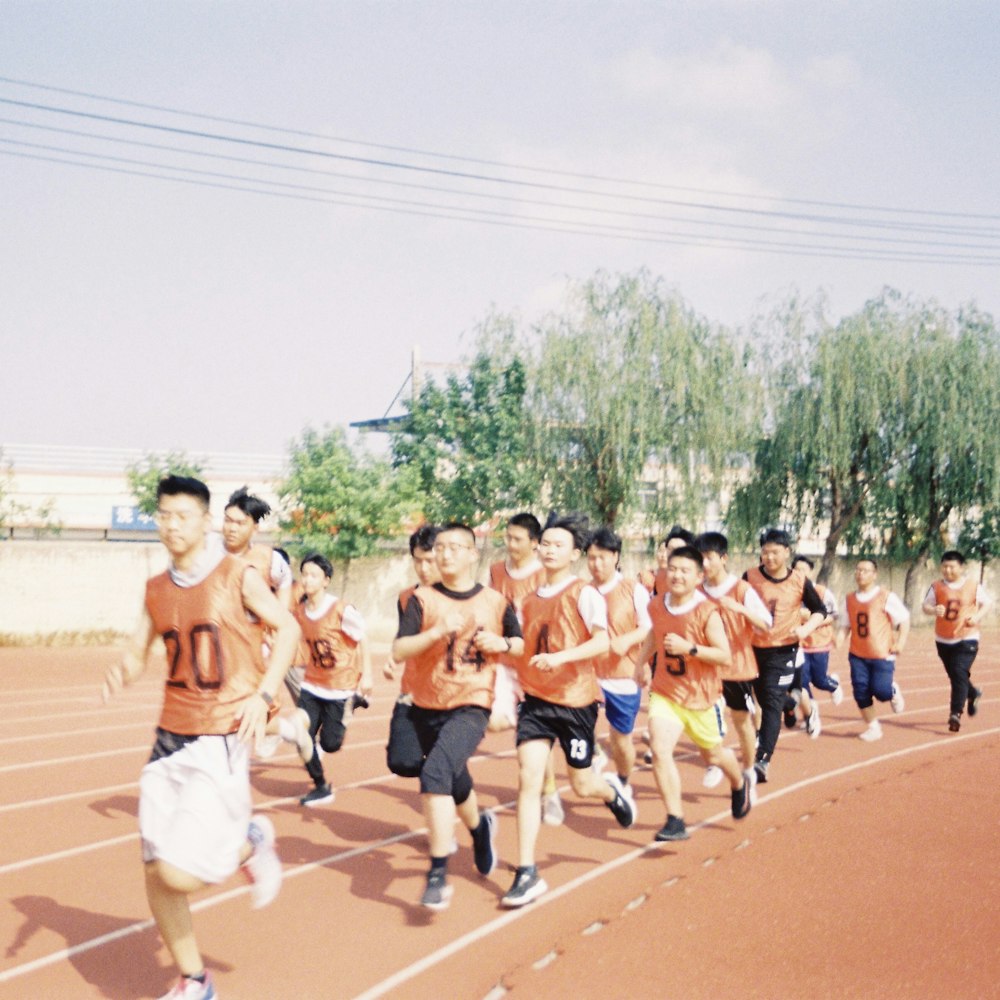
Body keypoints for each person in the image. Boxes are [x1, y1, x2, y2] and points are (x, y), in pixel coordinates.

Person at [101, 475, 301, 1000]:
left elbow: (289, 630)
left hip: (223, 732)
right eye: (163, 515)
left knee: (179, 872)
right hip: (170, 735)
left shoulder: (237, 575)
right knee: (153, 870)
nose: (171, 525)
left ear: (204, 520)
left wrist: (264, 695)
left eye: (182, 515)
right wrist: (123, 669)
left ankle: (249, 843)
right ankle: (196, 981)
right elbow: (138, 648)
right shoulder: (156, 590)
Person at [502, 512, 636, 909]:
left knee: (580, 785)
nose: (547, 549)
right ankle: (526, 871)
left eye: (557, 544)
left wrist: (560, 658)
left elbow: (601, 643)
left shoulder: (585, 593)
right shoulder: (526, 600)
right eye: (544, 543)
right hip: (536, 701)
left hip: (576, 702)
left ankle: (608, 789)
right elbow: (523, 648)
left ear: (574, 553)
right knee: (528, 779)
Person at [392, 522, 523, 911]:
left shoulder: (495, 602)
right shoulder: (421, 600)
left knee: (435, 774)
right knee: (430, 767)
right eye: (441, 548)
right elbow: (400, 649)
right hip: (427, 702)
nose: (445, 554)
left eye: (454, 547)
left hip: (471, 703)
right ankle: (480, 827)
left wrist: (500, 643)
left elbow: (517, 643)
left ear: (471, 553)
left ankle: (437, 873)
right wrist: (434, 633)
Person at [636, 544, 753, 842]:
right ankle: (675, 818)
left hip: (701, 698)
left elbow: (724, 655)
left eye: (684, 571)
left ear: (698, 576)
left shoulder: (706, 611)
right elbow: (654, 633)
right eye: (672, 569)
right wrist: (641, 663)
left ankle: (739, 782)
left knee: (712, 753)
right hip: (666, 692)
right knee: (661, 751)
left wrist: (690, 649)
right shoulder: (657, 604)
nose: (676, 575)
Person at [486, 512, 565, 825]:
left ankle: (550, 793)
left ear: (534, 544)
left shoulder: (545, 575)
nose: (510, 544)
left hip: (534, 665)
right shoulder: (495, 572)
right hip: (505, 663)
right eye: (507, 537)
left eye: (517, 539)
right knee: (494, 723)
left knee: (532, 740)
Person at [743, 528, 828, 783]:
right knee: (760, 698)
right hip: (752, 648)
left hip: (783, 650)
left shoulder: (799, 581)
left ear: (787, 552)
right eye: (765, 552)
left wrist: (804, 629)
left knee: (770, 703)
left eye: (775, 552)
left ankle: (762, 760)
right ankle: (794, 699)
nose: (769, 557)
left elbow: (820, 611)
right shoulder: (749, 577)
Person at [293, 553, 373, 806]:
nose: (307, 580)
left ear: (326, 580)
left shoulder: (341, 609)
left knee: (331, 743)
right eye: (304, 574)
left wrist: (367, 675)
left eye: (313, 575)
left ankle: (353, 703)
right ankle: (321, 786)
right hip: (312, 684)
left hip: (340, 686)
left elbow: (363, 638)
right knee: (301, 735)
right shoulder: (300, 610)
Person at [695, 532, 772, 787]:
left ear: (723, 558)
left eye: (709, 558)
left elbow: (765, 624)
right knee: (701, 718)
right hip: (707, 669)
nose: (704, 564)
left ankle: (749, 770)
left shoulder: (742, 589)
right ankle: (713, 762)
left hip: (738, 669)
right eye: (700, 559)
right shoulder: (696, 593)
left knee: (742, 723)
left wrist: (740, 609)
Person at [585, 526, 652, 795]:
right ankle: (593, 752)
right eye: (591, 557)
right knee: (574, 721)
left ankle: (623, 779)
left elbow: (650, 627)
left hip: (623, 674)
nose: (596, 563)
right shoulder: (583, 590)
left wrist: (628, 640)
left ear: (615, 556)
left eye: (602, 557)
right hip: (589, 673)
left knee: (620, 737)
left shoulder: (633, 589)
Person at [384, 524, 440, 777]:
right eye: (418, 561)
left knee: (442, 770)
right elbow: (403, 637)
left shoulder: (465, 596)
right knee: (401, 762)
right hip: (413, 690)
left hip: (451, 693)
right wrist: (392, 659)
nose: (423, 569)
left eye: (430, 561)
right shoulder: (406, 598)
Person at [837, 558, 909, 741]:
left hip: (882, 654)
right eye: (858, 570)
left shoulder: (885, 596)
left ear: (875, 574)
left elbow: (904, 619)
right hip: (858, 655)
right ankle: (873, 727)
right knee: (860, 692)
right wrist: (837, 641)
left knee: (881, 692)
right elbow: (846, 625)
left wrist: (900, 643)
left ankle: (892, 691)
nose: (861, 573)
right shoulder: (850, 599)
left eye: (866, 570)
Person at [922, 550, 992, 732]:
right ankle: (973, 692)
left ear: (961, 567)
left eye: (952, 567)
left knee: (959, 671)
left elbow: (987, 604)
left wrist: (976, 617)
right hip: (943, 639)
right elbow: (925, 605)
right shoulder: (937, 586)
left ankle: (955, 713)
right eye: (944, 566)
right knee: (955, 675)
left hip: (967, 637)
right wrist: (932, 610)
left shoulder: (972, 585)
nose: (948, 570)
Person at [792, 555, 843, 715]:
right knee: (803, 682)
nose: (800, 572)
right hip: (799, 645)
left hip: (819, 643)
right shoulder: (789, 591)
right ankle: (811, 713)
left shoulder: (821, 592)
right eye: (797, 569)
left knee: (819, 680)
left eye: (804, 570)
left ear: (811, 572)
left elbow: (833, 615)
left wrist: (812, 619)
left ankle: (833, 685)